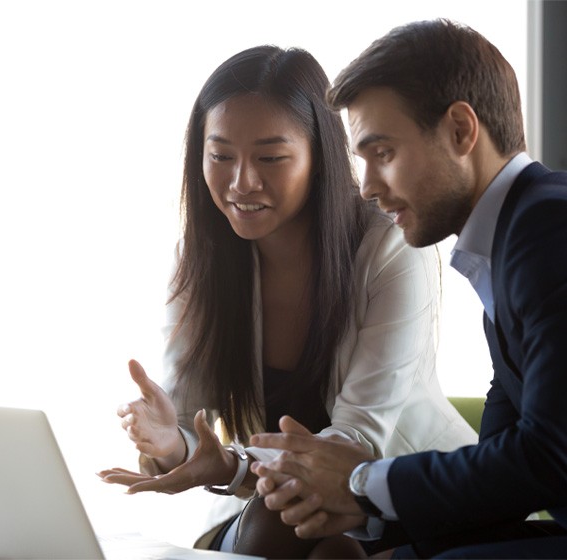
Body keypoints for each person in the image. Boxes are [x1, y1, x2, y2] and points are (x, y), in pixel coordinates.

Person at [97, 44, 476, 559]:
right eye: (221, 156)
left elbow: (355, 442)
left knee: (314, 534)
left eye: (271, 158)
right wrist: (170, 443)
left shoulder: (388, 247)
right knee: (308, 534)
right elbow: (192, 428)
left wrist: (231, 466)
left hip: (394, 498)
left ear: (320, 158)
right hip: (266, 508)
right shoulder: (201, 257)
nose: (241, 182)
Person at [249, 18, 567, 560]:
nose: (368, 187)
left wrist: (363, 483)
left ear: (461, 131)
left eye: (383, 153)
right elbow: (509, 451)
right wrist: (364, 504)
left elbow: (548, 457)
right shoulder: (511, 237)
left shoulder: (547, 231)